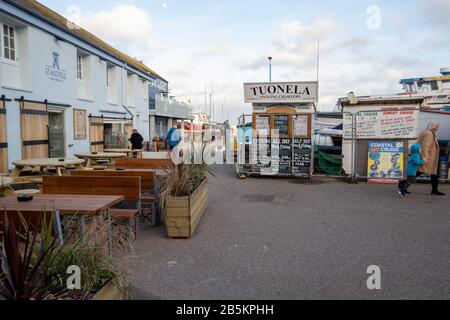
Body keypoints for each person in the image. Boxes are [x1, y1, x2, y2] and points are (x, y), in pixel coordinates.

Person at [417, 121, 445, 196]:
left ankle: (434, 190)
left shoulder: (426, 132)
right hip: (429, 158)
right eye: (437, 126)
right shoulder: (429, 134)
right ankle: (403, 183)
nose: (437, 128)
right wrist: (424, 158)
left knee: (434, 173)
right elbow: (425, 147)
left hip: (430, 157)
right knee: (419, 171)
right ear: (433, 126)